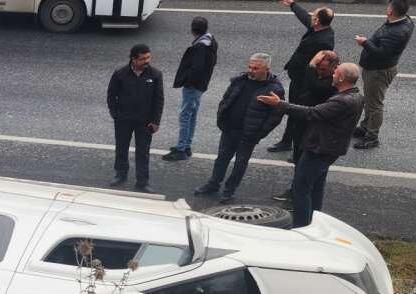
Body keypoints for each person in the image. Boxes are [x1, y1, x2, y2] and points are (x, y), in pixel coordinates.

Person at [257, 62, 364, 227]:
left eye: (335, 73)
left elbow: (311, 113)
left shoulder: (341, 101)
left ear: (342, 78)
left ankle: (301, 225)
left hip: (320, 148)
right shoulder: (356, 96)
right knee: (316, 186)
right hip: (331, 148)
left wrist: (279, 104)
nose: (333, 75)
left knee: (301, 188)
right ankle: (315, 220)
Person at [194, 54, 285, 203]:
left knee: (240, 163)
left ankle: (229, 191)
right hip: (229, 129)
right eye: (250, 66)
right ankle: (213, 184)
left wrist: (259, 134)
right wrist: (222, 119)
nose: (251, 70)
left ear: (266, 69)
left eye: (255, 68)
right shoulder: (239, 80)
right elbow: (225, 100)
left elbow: (275, 116)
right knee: (221, 158)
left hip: (248, 135)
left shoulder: (274, 89)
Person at [353, 0, 414, 149]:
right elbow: (396, 1)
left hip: (378, 71)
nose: (388, 6)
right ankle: (366, 126)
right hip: (378, 69)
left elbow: (381, 53)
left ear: (390, 11)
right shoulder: (405, 19)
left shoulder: (396, 32)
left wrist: (364, 42)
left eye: (389, 6)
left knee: (374, 104)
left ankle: (372, 136)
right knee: (370, 100)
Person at [266, 0, 334, 153]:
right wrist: (293, 4)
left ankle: (299, 147)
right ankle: (288, 141)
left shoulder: (324, 41)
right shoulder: (320, 28)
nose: (311, 16)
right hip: (298, 79)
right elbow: (305, 18)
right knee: (294, 111)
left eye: (314, 15)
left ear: (317, 21)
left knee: (297, 112)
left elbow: (319, 67)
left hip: (304, 82)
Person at [270, 50, 339, 202]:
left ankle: (298, 196)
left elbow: (315, 87)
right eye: (318, 67)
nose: (318, 71)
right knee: (299, 162)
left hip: (313, 131)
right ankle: (297, 193)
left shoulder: (332, 83)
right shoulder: (317, 77)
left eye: (322, 69)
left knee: (306, 169)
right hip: (302, 127)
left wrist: (311, 65)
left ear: (334, 68)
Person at [106, 44, 164, 191]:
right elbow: (111, 95)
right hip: (123, 120)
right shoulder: (120, 73)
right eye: (143, 58)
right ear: (133, 59)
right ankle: (120, 174)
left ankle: (142, 182)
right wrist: (115, 114)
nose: (147, 61)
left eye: (148, 57)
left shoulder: (155, 75)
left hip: (145, 122)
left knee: (143, 151)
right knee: (121, 148)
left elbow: (159, 100)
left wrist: (155, 121)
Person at [162, 17, 218, 162]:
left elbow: (196, 68)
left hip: (193, 86)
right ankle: (186, 146)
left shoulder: (200, 47)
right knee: (192, 115)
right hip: (201, 85)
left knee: (185, 116)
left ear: (193, 30)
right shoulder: (211, 41)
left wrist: (186, 80)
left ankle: (181, 149)